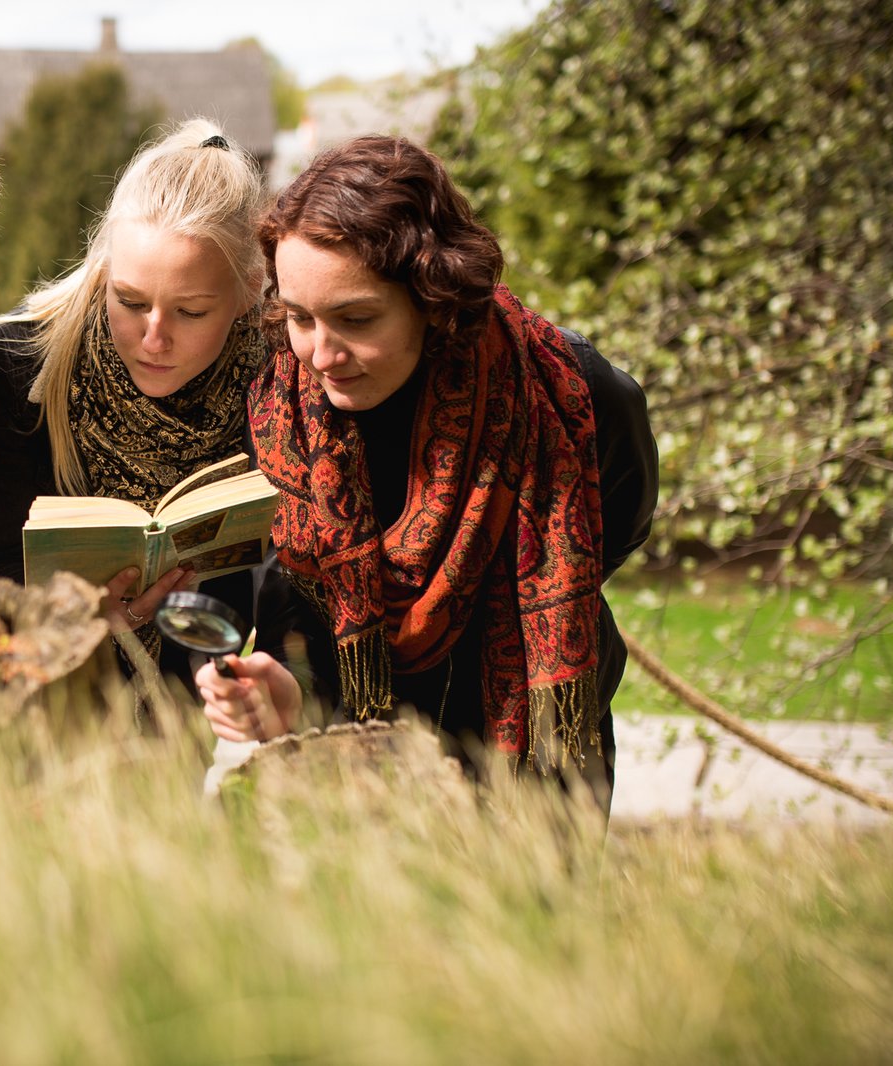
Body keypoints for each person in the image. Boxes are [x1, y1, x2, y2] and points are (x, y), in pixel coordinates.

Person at [196, 135, 658, 808]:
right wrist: (287, 691)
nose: (320, 354)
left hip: (537, 753)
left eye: (355, 318)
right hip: (352, 756)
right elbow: (292, 605)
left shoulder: (566, 392)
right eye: (299, 317)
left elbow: (618, 522)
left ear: (433, 295)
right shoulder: (276, 420)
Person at [0, 119, 268, 691]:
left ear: (248, 291)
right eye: (129, 301)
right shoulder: (22, 358)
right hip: (52, 698)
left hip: (218, 695)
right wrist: (96, 625)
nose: (154, 338)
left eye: (191, 312)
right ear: (104, 270)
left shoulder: (277, 371)